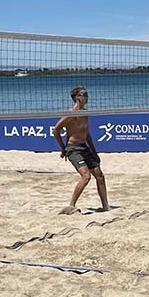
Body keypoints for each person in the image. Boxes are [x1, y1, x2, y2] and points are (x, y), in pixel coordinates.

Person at [53, 86, 110, 214]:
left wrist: (94, 151)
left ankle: (105, 206)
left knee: (100, 175)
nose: (87, 97)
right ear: (77, 97)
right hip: (73, 148)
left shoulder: (85, 113)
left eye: (87, 94)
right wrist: (63, 148)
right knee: (86, 176)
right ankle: (71, 206)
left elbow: (87, 134)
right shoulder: (70, 114)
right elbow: (56, 130)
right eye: (85, 94)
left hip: (84, 147)